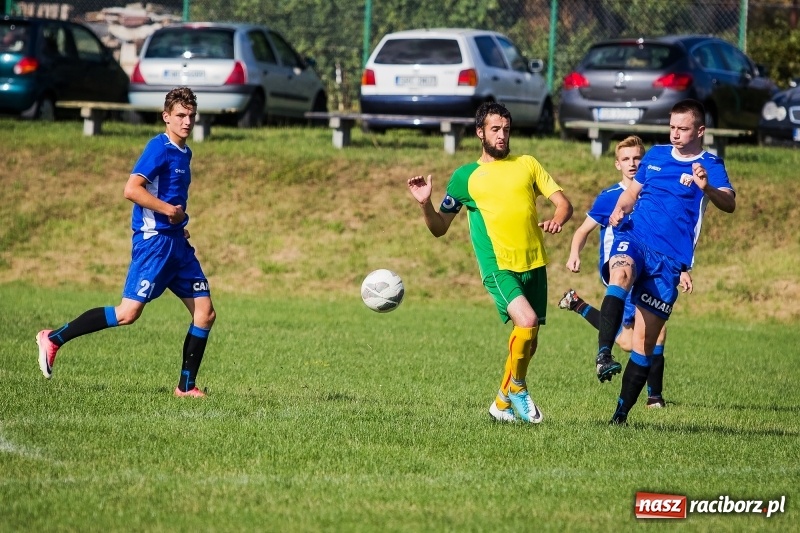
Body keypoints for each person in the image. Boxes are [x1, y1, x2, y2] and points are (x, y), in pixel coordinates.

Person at [36, 86, 216, 398]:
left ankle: (185, 387)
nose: (187, 121)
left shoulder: (186, 153)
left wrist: (179, 224)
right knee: (127, 314)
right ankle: (53, 338)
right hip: (154, 244)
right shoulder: (158, 148)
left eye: (191, 116)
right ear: (166, 117)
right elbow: (131, 189)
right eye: (180, 116)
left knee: (205, 312)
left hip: (176, 245)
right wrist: (168, 212)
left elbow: (171, 196)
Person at [407, 102, 573, 424]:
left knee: (530, 341)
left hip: (533, 263)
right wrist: (426, 204)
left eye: (506, 129)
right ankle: (518, 390)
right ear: (479, 132)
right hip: (498, 266)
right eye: (495, 129)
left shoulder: (527, 164)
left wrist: (558, 219)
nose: (502, 135)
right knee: (526, 322)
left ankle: (500, 403)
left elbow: (563, 204)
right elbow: (440, 228)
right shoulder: (465, 177)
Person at [594, 99, 735, 424]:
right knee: (621, 274)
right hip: (637, 237)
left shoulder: (710, 164)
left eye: (682, 129)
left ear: (700, 131)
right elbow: (632, 193)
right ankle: (603, 353)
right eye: (672, 127)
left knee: (645, 341)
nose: (675, 134)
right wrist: (621, 208)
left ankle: (620, 416)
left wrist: (707, 187)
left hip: (670, 260)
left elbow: (729, 203)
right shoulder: (656, 155)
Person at [560, 135, 693, 408]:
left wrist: (681, 269)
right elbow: (582, 230)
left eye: (637, 158)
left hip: (654, 265)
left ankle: (579, 305)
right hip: (623, 268)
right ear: (617, 164)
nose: (632, 164)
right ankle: (651, 394)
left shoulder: (655, 194)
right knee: (643, 337)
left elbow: (671, 236)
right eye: (626, 159)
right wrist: (574, 253)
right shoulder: (610, 197)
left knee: (630, 341)